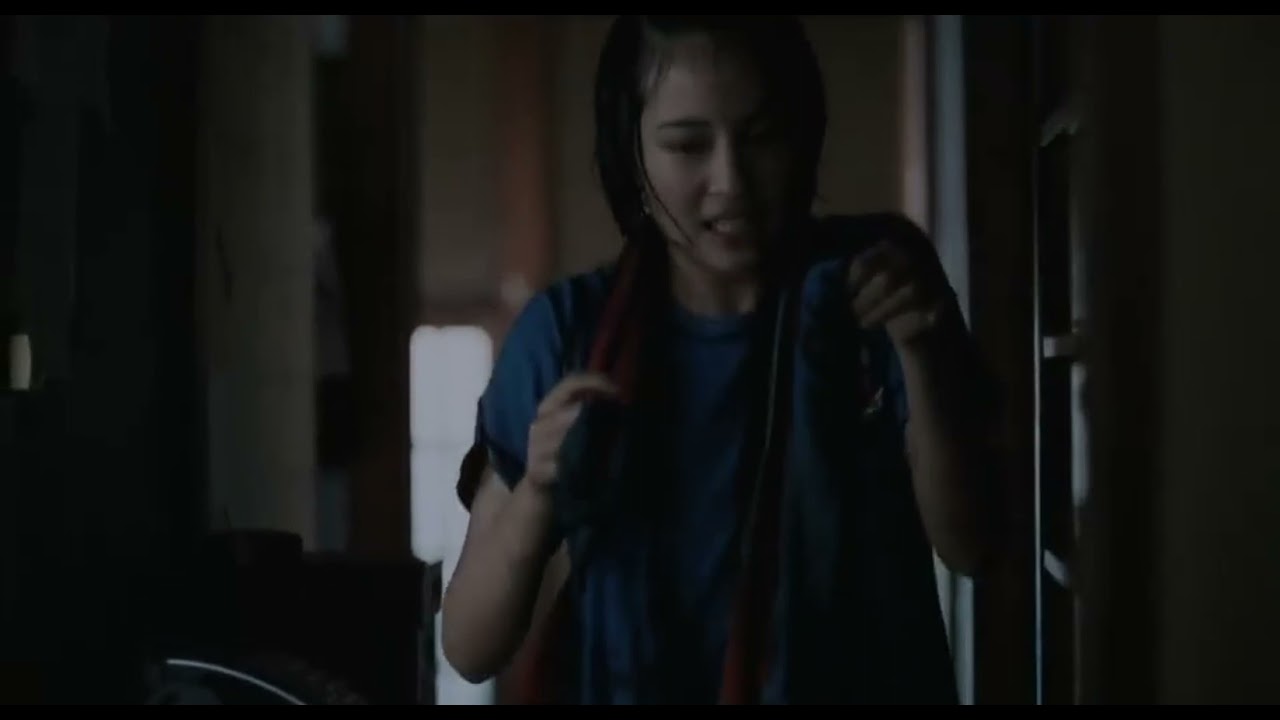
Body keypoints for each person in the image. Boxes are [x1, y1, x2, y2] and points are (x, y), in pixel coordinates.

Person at [441, 15, 1000, 705]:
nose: (731, 181)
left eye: (760, 136)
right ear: (631, 155)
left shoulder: (877, 284)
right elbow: (468, 646)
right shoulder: (570, 332)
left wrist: (922, 351)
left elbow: (975, 544)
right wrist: (537, 493)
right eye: (688, 145)